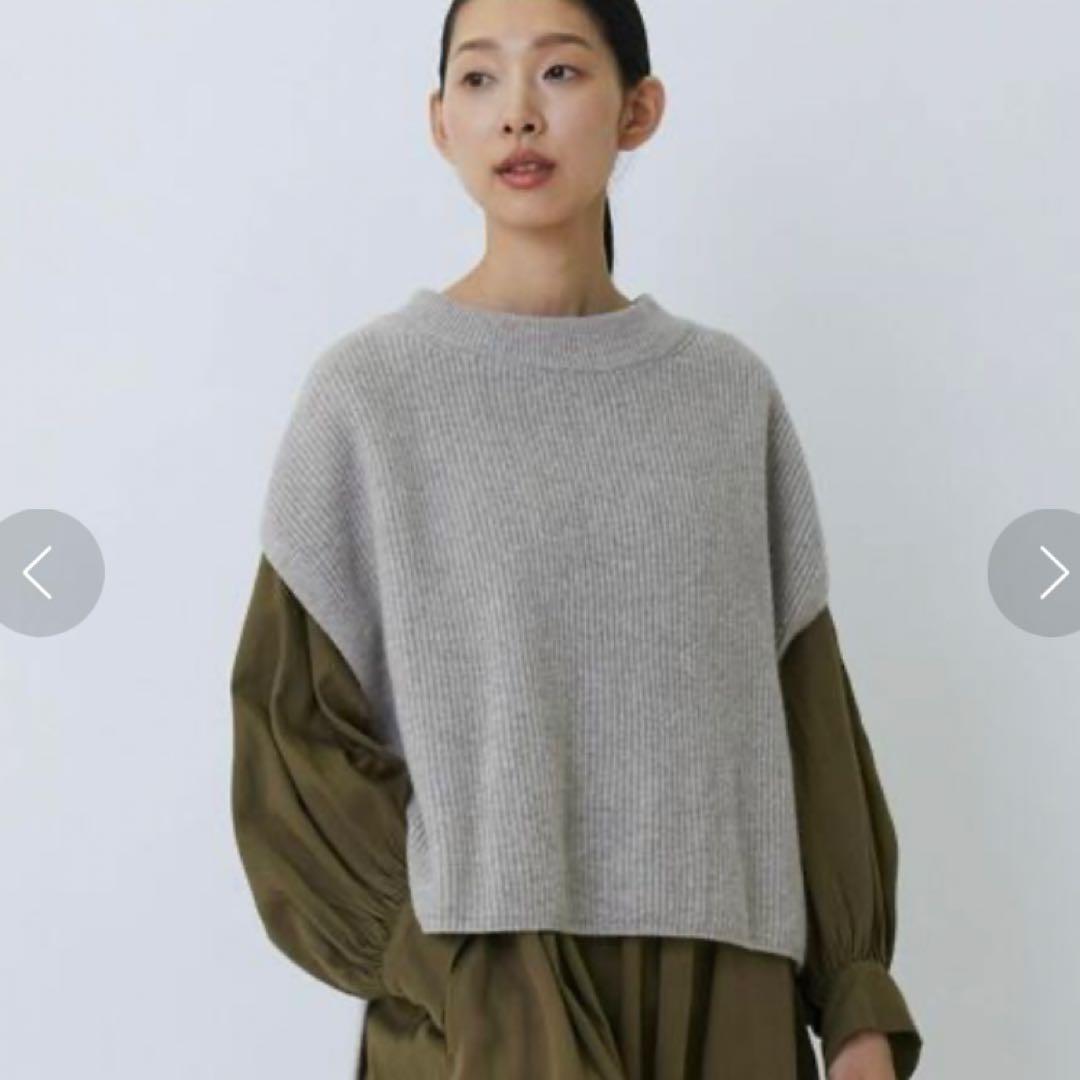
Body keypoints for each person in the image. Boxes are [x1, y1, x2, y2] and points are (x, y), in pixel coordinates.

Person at [229, 0, 923, 1076]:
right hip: (483, 1006)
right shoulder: (370, 397)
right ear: (440, 122)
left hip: (727, 1000)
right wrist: (451, 967)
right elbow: (292, 738)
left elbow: (809, 717)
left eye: (558, 73)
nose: (518, 114)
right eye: (479, 79)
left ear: (638, 110)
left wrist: (856, 1003)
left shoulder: (726, 396)